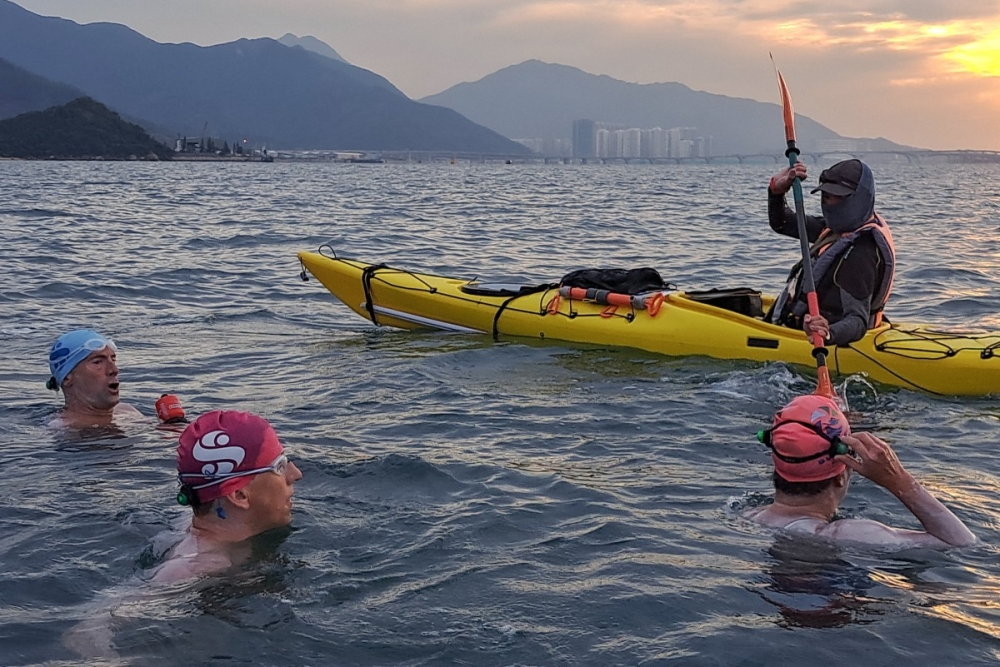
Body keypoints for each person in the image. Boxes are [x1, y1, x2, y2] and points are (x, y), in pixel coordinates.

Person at [745, 394, 976, 548]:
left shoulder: (744, 516)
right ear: (841, 475)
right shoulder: (844, 535)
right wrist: (898, 481)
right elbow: (962, 545)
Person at [152, 410, 304, 583]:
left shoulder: (190, 523)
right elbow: (129, 605)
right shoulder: (196, 568)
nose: (296, 474)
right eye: (280, 466)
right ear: (239, 495)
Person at [765, 159, 896, 346]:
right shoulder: (833, 230)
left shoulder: (860, 254)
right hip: (796, 325)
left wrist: (827, 333)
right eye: (826, 196)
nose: (829, 203)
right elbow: (782, 223)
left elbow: (857, 321)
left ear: (859, 198)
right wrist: (776, 191)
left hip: (829, 338)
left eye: (837, 197)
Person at [46, 329, 143, 428]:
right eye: (97, 362)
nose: (114, 370)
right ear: (67, 378)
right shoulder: (64, 429)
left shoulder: (127, 411)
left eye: (113, 360)